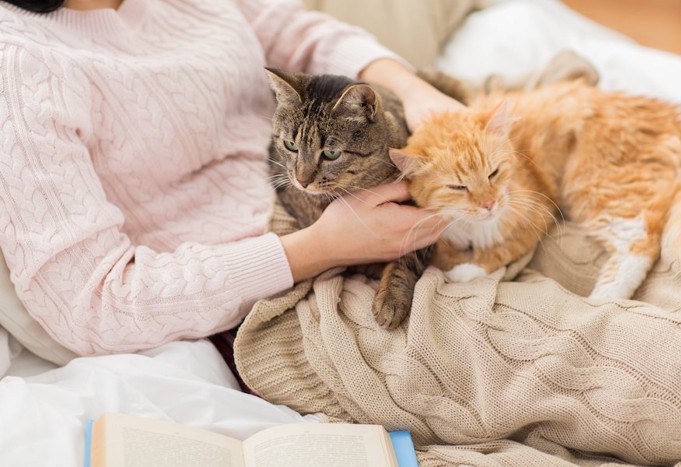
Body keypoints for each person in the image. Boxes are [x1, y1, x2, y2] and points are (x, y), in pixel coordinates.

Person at [0, 0, 465, 357]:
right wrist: (325, 246)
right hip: (261, 291)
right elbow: (93, 306)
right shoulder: (21, 65)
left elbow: (297, 32)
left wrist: (415, 91)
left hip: (357, 206)